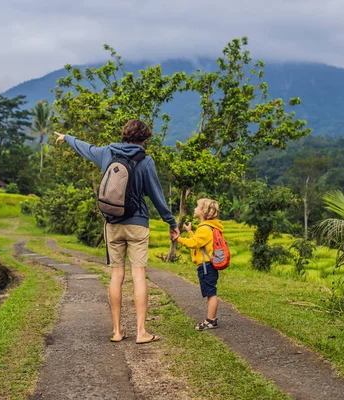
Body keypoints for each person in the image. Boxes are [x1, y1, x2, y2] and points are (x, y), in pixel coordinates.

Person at [54, 119, 180, 344]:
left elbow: (85, 147)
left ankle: (117, 330)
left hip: (112, 222)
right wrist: (171, 222)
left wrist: (67, 138)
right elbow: (156, 195)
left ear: (124, 135)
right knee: (138, 275)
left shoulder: (107, 152)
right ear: (144, 139)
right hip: (137, 223)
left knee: (116, 276)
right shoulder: (145, 160)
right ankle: (141, 332)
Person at [177, 198, 223, 331]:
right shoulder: (206, 228)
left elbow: (193, 243)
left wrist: (178, 238)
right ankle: (211, 319)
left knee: (211, 293)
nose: (194, 209)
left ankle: (211, 320)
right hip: (206, 265)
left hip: (206, 266)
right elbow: (198, 242)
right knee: (209, 292)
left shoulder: (205, 229)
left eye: (197, 207)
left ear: (203, 211)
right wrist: (190, 231)